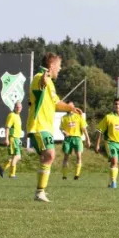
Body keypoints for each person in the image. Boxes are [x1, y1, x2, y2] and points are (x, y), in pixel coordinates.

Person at [27, 53, 82, 202]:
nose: (60, 68)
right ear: (51, 66)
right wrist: (45, 78)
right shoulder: (40, 77)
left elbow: (56, 103)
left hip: (46, 127)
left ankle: (40, 191)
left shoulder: (50, 83)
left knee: (47, 158)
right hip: (38, 126)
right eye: (59, 65)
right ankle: (39, 192)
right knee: (50, 155)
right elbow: (41, 83)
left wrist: (71, 108)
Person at [95, 98, 119, 189]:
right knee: (114, 161)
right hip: (110, 143)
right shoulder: (108, 117)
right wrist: (97, 144)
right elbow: (99, 131)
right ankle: (114, 183)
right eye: (116, 104)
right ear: (113, 106)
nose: (117, 106)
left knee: (115, 164)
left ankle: (110, 182)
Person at [60, 101, 91, 180]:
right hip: (68, 139)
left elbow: (84, 128)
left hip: (77, 138)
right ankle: (64, 176)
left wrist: (88, 139)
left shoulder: (78, 116)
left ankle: (76, 175)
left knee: (79, 156)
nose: (70, 107)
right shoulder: (64, 117)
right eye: (69, 105)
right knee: (66, 157)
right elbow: (61, 128)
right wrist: (64, 132)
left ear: (73, 106)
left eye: (72, 105)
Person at [0, 101, 23, 179]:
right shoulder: (12, 115)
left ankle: (2, 168)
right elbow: (7, 127)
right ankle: (12, 174)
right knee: (17, 156)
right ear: (14, 107)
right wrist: (6, 139)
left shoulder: (18, 116)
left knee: (15, 157)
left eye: (20, 107)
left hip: (17, 138)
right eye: (17, 107)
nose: (18, 109)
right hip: (13, 138)